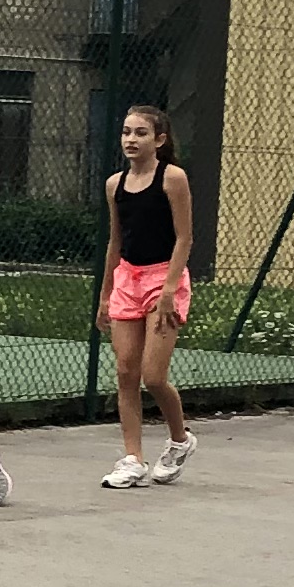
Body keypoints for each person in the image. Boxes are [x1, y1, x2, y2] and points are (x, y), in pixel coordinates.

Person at [98, 101, 198, 490]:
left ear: (159, 139)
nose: (131, 139)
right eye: (126, 132)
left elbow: (184, 237)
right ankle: (132, 459)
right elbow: (115, 241)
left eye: (141, 133)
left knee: (153, 376)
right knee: (126, 373)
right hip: (127, 279)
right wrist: (106, 294)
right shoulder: (114, 184)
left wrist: (169, 290)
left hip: (163, 278)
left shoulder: (172, 178)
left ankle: (180, 440)